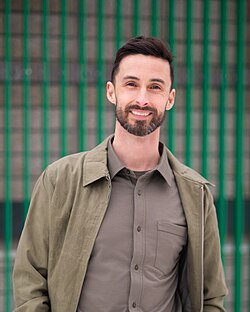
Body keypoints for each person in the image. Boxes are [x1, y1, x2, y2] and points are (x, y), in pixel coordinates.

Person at [13, 36, 227, 312]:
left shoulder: (195, 194)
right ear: (111, 92)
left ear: (170, 98)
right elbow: (30, 283)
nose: (142, 99)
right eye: (131, 84)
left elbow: (210, 297)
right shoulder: (59, 180)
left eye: (155, 87)